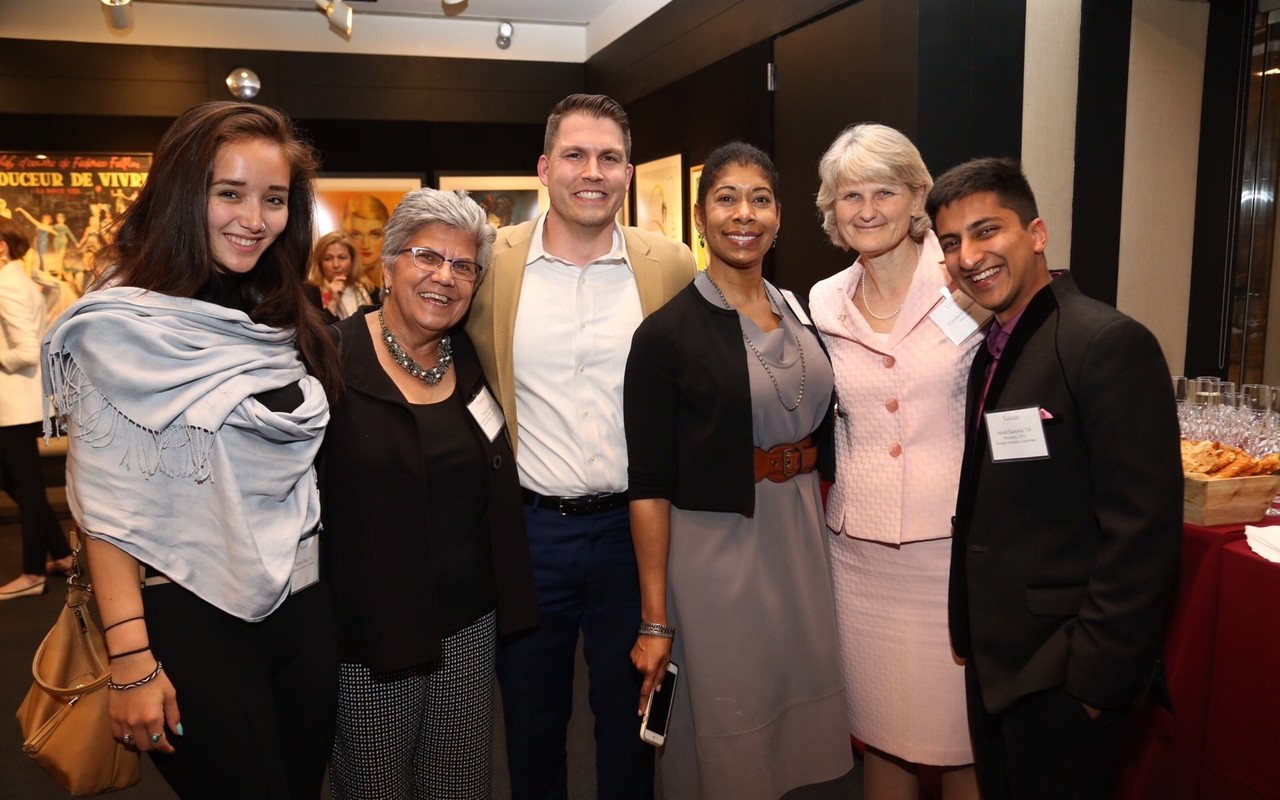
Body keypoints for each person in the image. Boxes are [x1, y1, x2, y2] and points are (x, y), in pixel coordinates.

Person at [41, 101, 342, 798]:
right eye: (228, 193)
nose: (253, 218)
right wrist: (133, 660)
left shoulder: (276, 304)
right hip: (189, 618)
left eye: (272, 199)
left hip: (301, 606)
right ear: (183, 192)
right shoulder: (122, 321)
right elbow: (106, 509)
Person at [926, 157, 1181, 800]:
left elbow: (1141, 531)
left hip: (1064, 672)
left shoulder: (1107, 343)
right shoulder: (995, 346)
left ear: (1037, 234)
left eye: (988, 231)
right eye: (952, 242)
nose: (969, 256)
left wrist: (1095, 685)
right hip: (998, 663)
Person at [466, 93, 695, 800]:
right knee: (533, 727)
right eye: (574, 154)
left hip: (639, 534)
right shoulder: (491, 264)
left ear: (628, 171)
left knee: (631, 724)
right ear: (544, 167)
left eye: (608, 157)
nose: (591, 171)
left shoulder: (671, 265)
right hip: (531, 533)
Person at [626, 142, 852, 799]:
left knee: (796, 720)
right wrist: (654, 619)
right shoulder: (666, 335)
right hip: (716, 552)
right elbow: (648, 485)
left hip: (801, 541)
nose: (743, 214)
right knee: (727, 719)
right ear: (700, 217)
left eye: (759, 199)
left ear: (779, 216)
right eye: (726, 198)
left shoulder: (800, 310)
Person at [322, 187, 538, 799]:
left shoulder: (469, 358)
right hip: (371, 636)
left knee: (460, 783)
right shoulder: (330, 360)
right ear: (388, 265)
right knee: (374, 786)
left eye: (464, 266)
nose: (445, 277)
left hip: (468, 626)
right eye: (426, 257)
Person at [808, 123, 983, 800]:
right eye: (851, 194)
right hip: (859, 557)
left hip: (952, 551)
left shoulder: (964, 282)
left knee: (962, 738)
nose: (868, 209)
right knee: (881, 737)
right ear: (832, 207)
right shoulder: (822, 300)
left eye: (885, 191)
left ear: (918, 196)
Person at [0, 217, 72, 600]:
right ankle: (59, 554)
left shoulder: (7, 285)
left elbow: (27, 351)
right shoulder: (21, 282)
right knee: (19, 484)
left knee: (25, 488)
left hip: (13, 405)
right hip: (17, 404)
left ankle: (31, 574)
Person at [305, 231, 371, 321]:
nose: (336, 265)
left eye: (342, 257)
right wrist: (333, 302)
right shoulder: (309, 293)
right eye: (328, 258)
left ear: (352, 260)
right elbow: (317, 331)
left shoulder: (369, 289)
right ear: (320, 263)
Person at [342, 194, 390, 301]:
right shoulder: (339, 291)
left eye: (374, 234)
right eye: (356, 234)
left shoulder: (396, 284)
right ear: (345, 236)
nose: (365, 245)